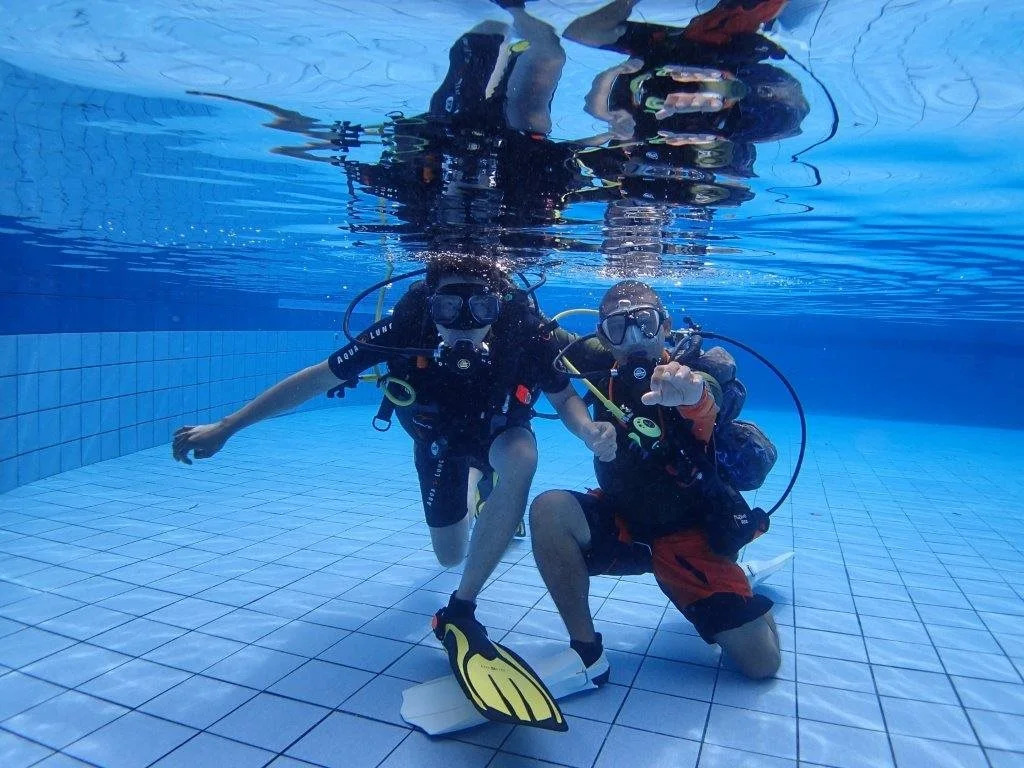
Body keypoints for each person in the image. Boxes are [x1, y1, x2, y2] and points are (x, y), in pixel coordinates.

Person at [172, 252, 617, 726]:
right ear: (430, 305)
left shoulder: (522, 328)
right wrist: (228, 426)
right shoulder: (406, 326)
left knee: (521, 459)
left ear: (498, 306)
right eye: (449, 308)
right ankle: (478, 488)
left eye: (480, 309)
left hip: (501, 435)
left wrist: (588, 431)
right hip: (437, 443)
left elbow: (564, 397)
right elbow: (318, 378)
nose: (464, 325)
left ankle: (461, 609)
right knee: (449, 554)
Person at [529, 279, 781, 683]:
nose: (633, 339)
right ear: (603, 338)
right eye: (618, 328)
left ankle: (737, 584)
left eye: (645, 323)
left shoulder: (688, 373)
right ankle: (587, 651)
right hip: (624, 525)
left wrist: (692, 395)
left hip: (690, 540)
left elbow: (707, 399)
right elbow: (545, 332)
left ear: (664, 326)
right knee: (549, 510)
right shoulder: (603, 363)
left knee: (762, 664)